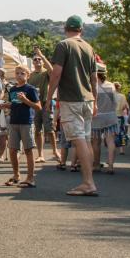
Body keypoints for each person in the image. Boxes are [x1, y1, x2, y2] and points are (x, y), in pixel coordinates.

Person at [45, 15, 100, 197]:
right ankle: (89, 180)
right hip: (88, 99)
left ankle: (88, 183)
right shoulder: (88, 47)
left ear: (65, 28)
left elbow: (56, 74)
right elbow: (94, 78)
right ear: (81, 30)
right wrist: (95, 101)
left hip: (72, 99)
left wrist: (48, 98)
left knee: (79, 140)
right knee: (85, 138)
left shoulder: (64, 45)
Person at [3, 65, 40, 188]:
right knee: (12, 150)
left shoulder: (31, 89)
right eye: (17, 73)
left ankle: (30, 178)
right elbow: (14, 104)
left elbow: (38, 107)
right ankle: (16, 175)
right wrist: (5, 105)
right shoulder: (12, 89)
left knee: (28, 150)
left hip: (26, 122)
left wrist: (25, 100)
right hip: (14, 122)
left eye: (22, 73)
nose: (19, 75)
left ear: (28, 75)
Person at [29, 52, 57, 163]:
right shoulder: (30, 75)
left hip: (46, 104)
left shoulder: (46, 73)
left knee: (50, 130)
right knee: (37, 130)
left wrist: (42, 55)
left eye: (39, 59)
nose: (37, 61)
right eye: (35, 59)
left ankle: (55, 151)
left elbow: (52, 70)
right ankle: (40, 155)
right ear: (33, 62)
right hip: (35, 105)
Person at [91, 64, 119, 174]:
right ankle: (111, 166)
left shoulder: (92, 86)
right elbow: (115, 102)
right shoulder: (111, 86)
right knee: (111, 142)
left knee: (96, 142)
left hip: (96, 117)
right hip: (110, 116)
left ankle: (96, 165)